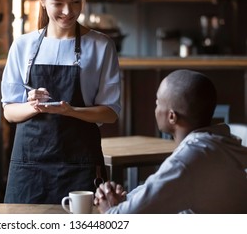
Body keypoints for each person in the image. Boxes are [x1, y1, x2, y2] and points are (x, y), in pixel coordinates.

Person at [1, 0, 121, 204]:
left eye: (76, 2)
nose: (68, 11)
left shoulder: (100, 46)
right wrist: (34, 105)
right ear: (43, 1)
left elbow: (110, 113)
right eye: (59, 3)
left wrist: (71, 111)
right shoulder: (22, 46)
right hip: (30, 167)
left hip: (80, 164)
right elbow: (9, 112)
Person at [94, 69, 247, 213]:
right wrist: (124, 199)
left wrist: (108, 208)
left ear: (172, 117)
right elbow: (152, 189)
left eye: (158, 102)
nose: (155, 108)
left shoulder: (188, 160)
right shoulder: (218, 144)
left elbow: (120, 222)